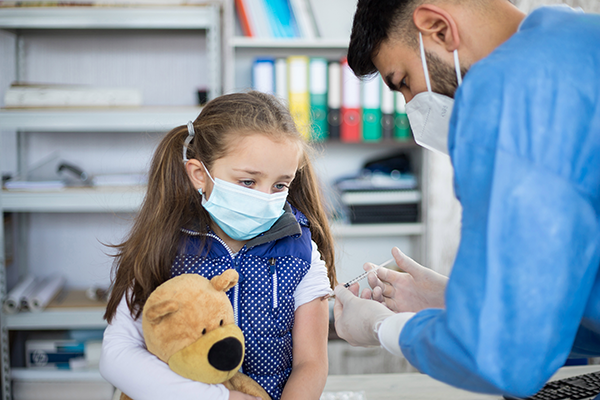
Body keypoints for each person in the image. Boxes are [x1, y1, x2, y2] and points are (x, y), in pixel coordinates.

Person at [333, 0, 600, 398]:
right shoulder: (582, 41)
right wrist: (455, 299)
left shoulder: (508, 91)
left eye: (403, 80)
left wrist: (379, 327)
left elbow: (506, 360)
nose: (411, 106)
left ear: (437, 28)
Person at [100, 91, 336, 400]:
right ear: (200, 174)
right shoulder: (164, 243)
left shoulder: (302, 252)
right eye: (248, 182)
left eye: (280, 185)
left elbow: (311, 364)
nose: (266, 197)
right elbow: (117, 355)